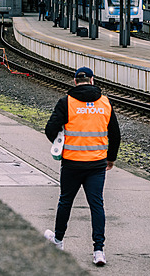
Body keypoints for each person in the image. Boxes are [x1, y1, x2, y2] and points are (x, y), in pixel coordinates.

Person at [44, 67, 121, 267]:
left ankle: (58, 241)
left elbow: (50, 129)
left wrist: (60, 143)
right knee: (97, 205)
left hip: (71, 163)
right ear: (92, 80)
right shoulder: (105, 102)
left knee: (65, 201)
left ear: (75, 81)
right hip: (97, 164)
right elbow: (115, 134)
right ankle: (98, 250)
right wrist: (110, 158)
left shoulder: (66, 102)